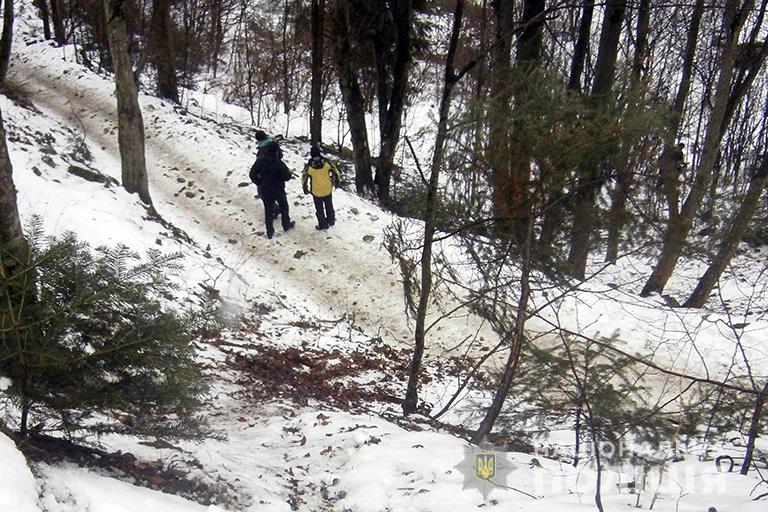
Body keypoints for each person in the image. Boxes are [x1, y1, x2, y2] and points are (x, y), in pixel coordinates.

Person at [250, 141, 295, 239]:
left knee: (268, 210)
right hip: (278, 189)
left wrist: (259, 182)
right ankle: (286, 225)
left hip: (265, 189)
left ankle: (270, 231)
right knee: (284, 207)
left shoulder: (260, 161)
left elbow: (252, 174)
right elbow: (287, 176)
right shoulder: (279, 163)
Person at [302, 146, 342, 230]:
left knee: (319, 209)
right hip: (327, 188)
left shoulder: (309, 166)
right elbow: (336, 172)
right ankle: (331, 221)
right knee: (329, 206)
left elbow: (304, 177)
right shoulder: (327, 162)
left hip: (316, 191)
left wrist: (305, 188)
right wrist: (337, 182)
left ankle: (323, 224)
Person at [254, 130, 283, 219]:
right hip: (276, 171)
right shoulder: (273, 144)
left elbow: (259, 163)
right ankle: (279, 208)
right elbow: (280, 156)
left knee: (262, 192)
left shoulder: (262, 149)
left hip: (264, 174)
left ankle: (275, 208)